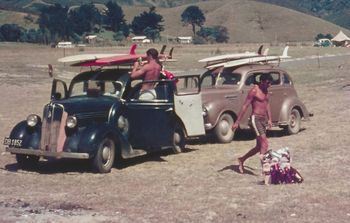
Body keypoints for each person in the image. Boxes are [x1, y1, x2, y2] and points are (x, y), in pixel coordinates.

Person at [232, 73, 273, 174]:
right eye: (268, 83)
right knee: (265, 144)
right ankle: (265, 170)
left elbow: (267, 104)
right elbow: (245, 106)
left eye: (270, 83)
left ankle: (242, 159)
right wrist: (237, 122)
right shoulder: (254, 91)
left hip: (263, 120)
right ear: (262, 81)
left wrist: (270, 119)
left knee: (259, 147)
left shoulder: (266, 90)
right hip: (255, 119)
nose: (269, 85)